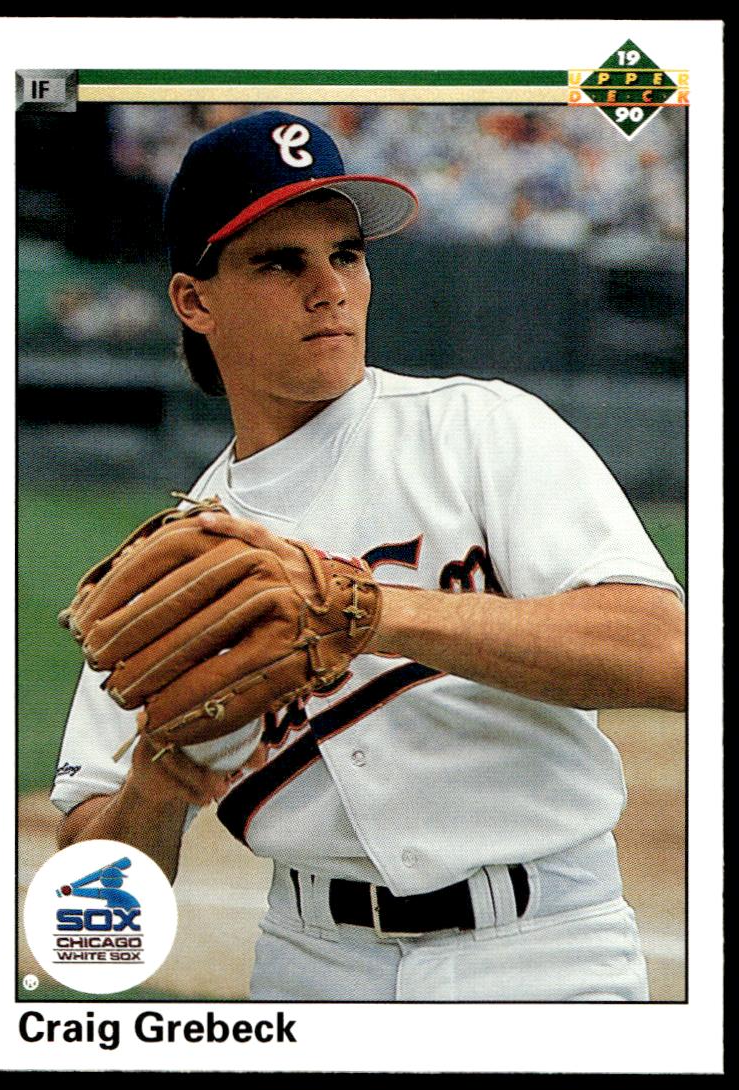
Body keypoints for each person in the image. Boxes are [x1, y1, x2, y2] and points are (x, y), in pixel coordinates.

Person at [52, 110, 685, 1002]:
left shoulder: (478, 429)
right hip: (308, 968)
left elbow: (669, 654)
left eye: (346, 254)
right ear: (194, 301)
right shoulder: (174, 567)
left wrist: (372, 610)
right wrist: (157, 786)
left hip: (546, 953)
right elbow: (91, 932)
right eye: (281, 263)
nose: (329, 288)